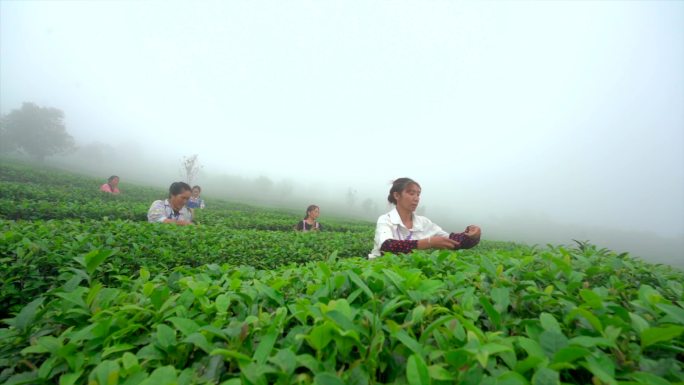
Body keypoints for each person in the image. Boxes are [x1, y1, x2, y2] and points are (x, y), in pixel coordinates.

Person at [369, 178, 481, 259]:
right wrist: (429, 242)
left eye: (418, 194)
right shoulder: (386, 219)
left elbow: (452, 241)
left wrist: (471, 236)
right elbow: (387, 246)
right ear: (397, 195)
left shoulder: (423, 222)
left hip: (406, 272)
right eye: (411, 193)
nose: (416, 198)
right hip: (380, 270)